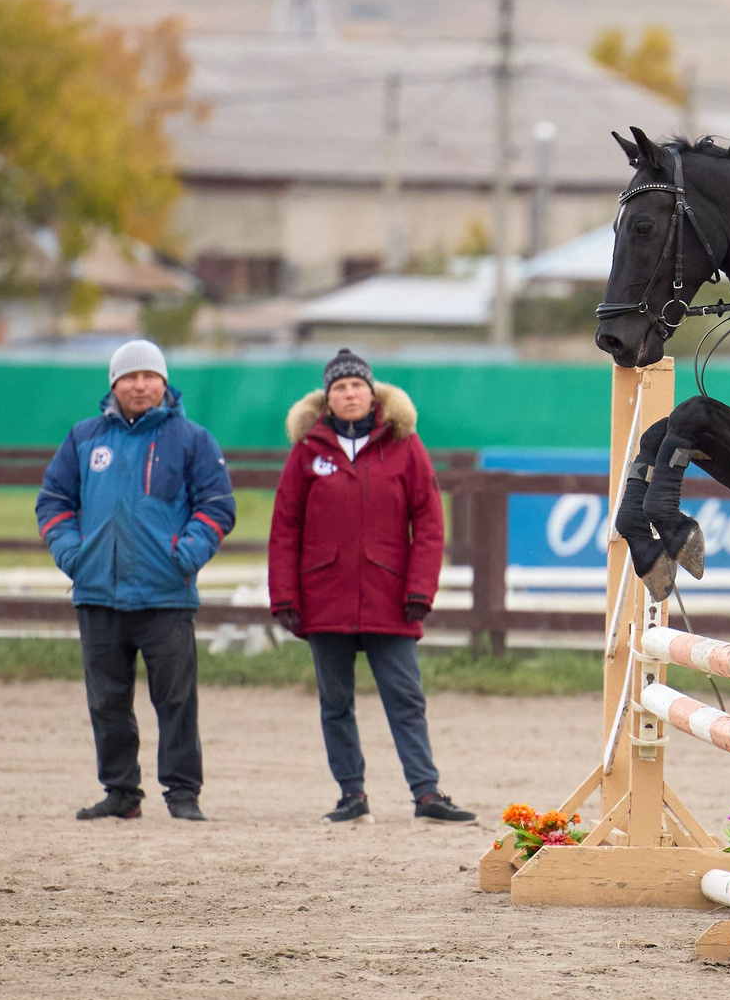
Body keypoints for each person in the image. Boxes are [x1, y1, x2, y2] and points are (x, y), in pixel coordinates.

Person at [268, 348, 474, 824]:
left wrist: (421, 589)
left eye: (356, 385)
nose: (349, 393)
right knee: (334, 702)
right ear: (327, 400)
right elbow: (284, 528)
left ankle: (427, 795)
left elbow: (428, 522)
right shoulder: (306, 453)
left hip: (392, 598)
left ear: (372, 391)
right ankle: (351, 796)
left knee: (405, 699)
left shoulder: (405, 445)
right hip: (325, 599)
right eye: (339, 388)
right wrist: (284, 595)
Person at [37, 338, 237, 822]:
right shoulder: (84, 438)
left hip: (166, 594)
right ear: (114, 384)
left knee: (175, 701)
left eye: (149, 376)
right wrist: (73, 555)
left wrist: (183, 556)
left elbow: (216, 507)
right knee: (107, 701)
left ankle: (183, 793)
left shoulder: (192, 439)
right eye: (130, 377)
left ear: (164, 383)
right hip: (98, 592)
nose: (140, 384)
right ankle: (121, 792)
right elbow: (54, 501)